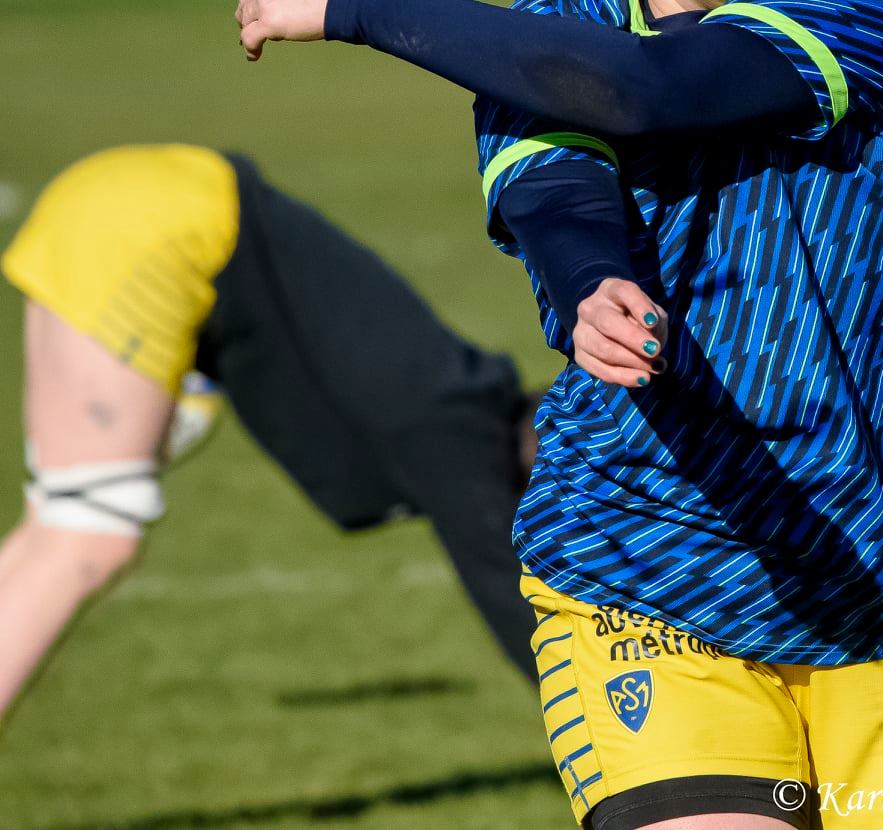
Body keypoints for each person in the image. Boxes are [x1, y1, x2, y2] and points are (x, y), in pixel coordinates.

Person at [237, 0, 883, 830]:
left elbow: (646, 91)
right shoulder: (549, 31)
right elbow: (560, 190)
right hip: (645, 568)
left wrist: (357, 2)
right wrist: (588, 289)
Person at [0, 144, 543, 723]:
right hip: (167, 226)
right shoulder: (461, 435)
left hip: (133, 196)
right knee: (89, 536)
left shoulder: (453, 385)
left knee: (55, 525)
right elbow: (523, 614)